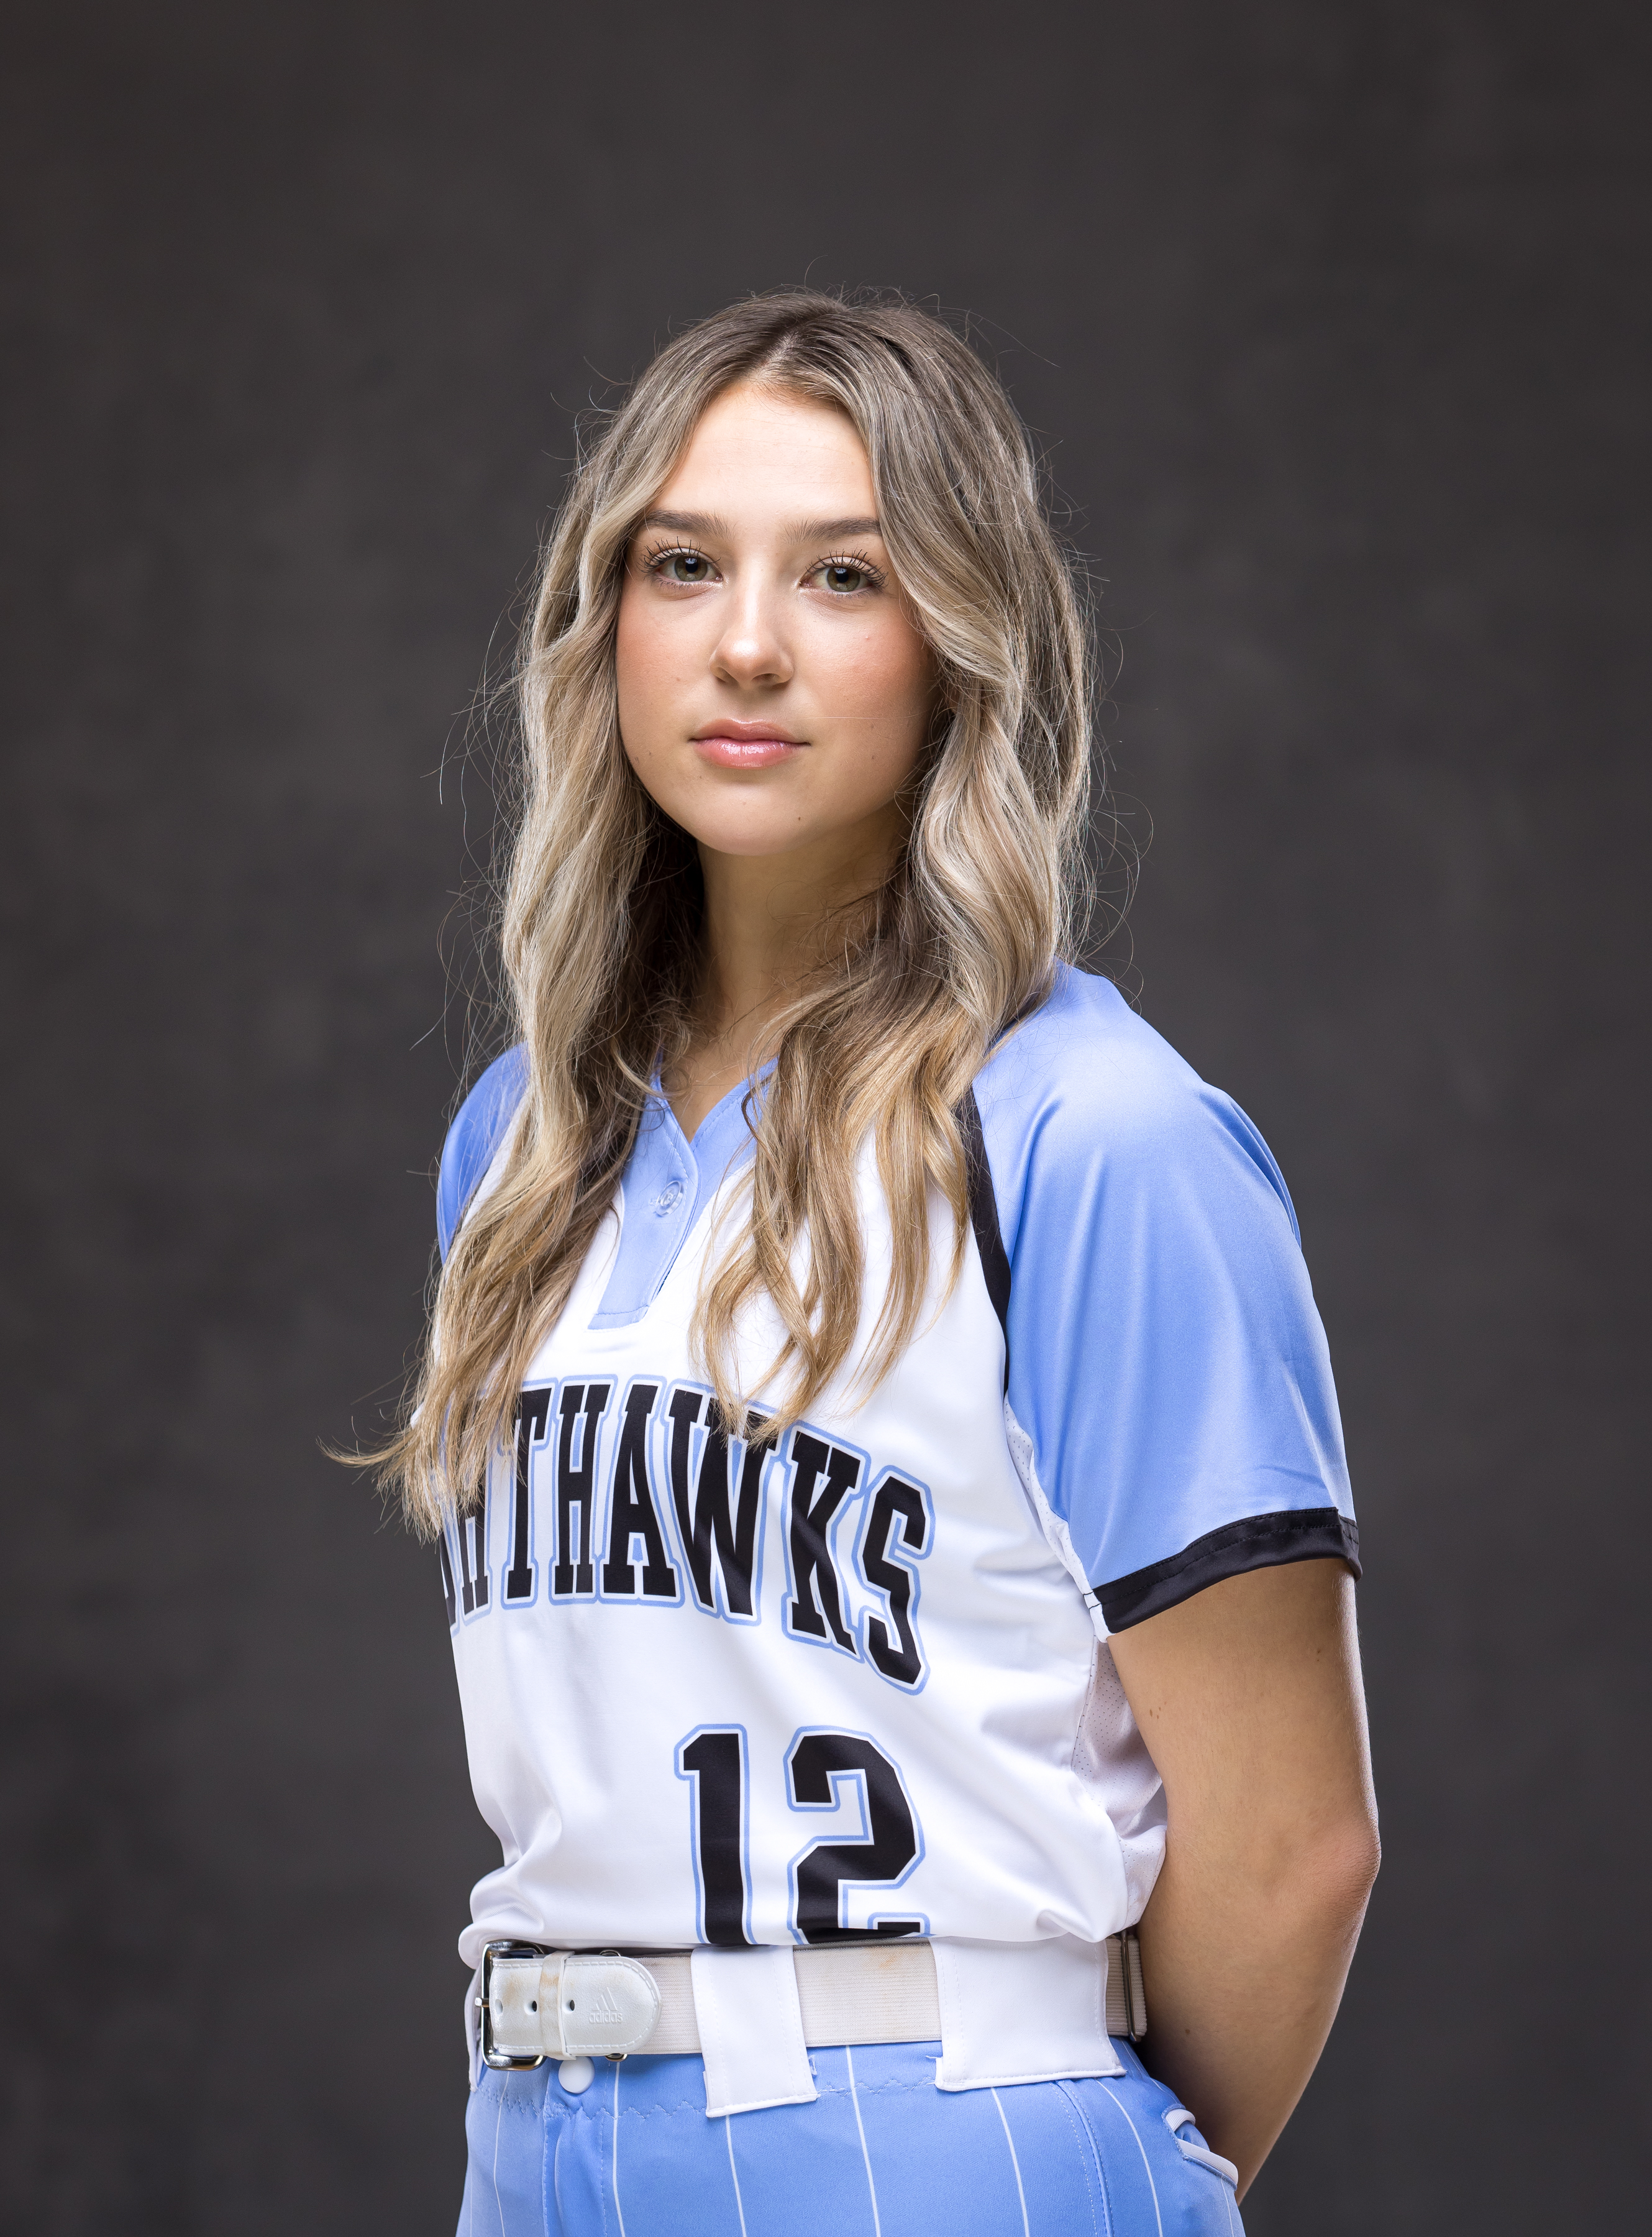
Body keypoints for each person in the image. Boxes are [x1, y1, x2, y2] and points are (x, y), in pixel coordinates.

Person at [370, 290, 1379, 2237]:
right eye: (684, 564)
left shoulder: (1096, 1137)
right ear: (604, 628)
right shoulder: (522, 1140)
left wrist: (1097, 2188)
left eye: (844, 572)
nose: (745, 640)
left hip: (951, 2136)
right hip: (537, 2141)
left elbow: (1291, 1849)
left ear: (961, 645)